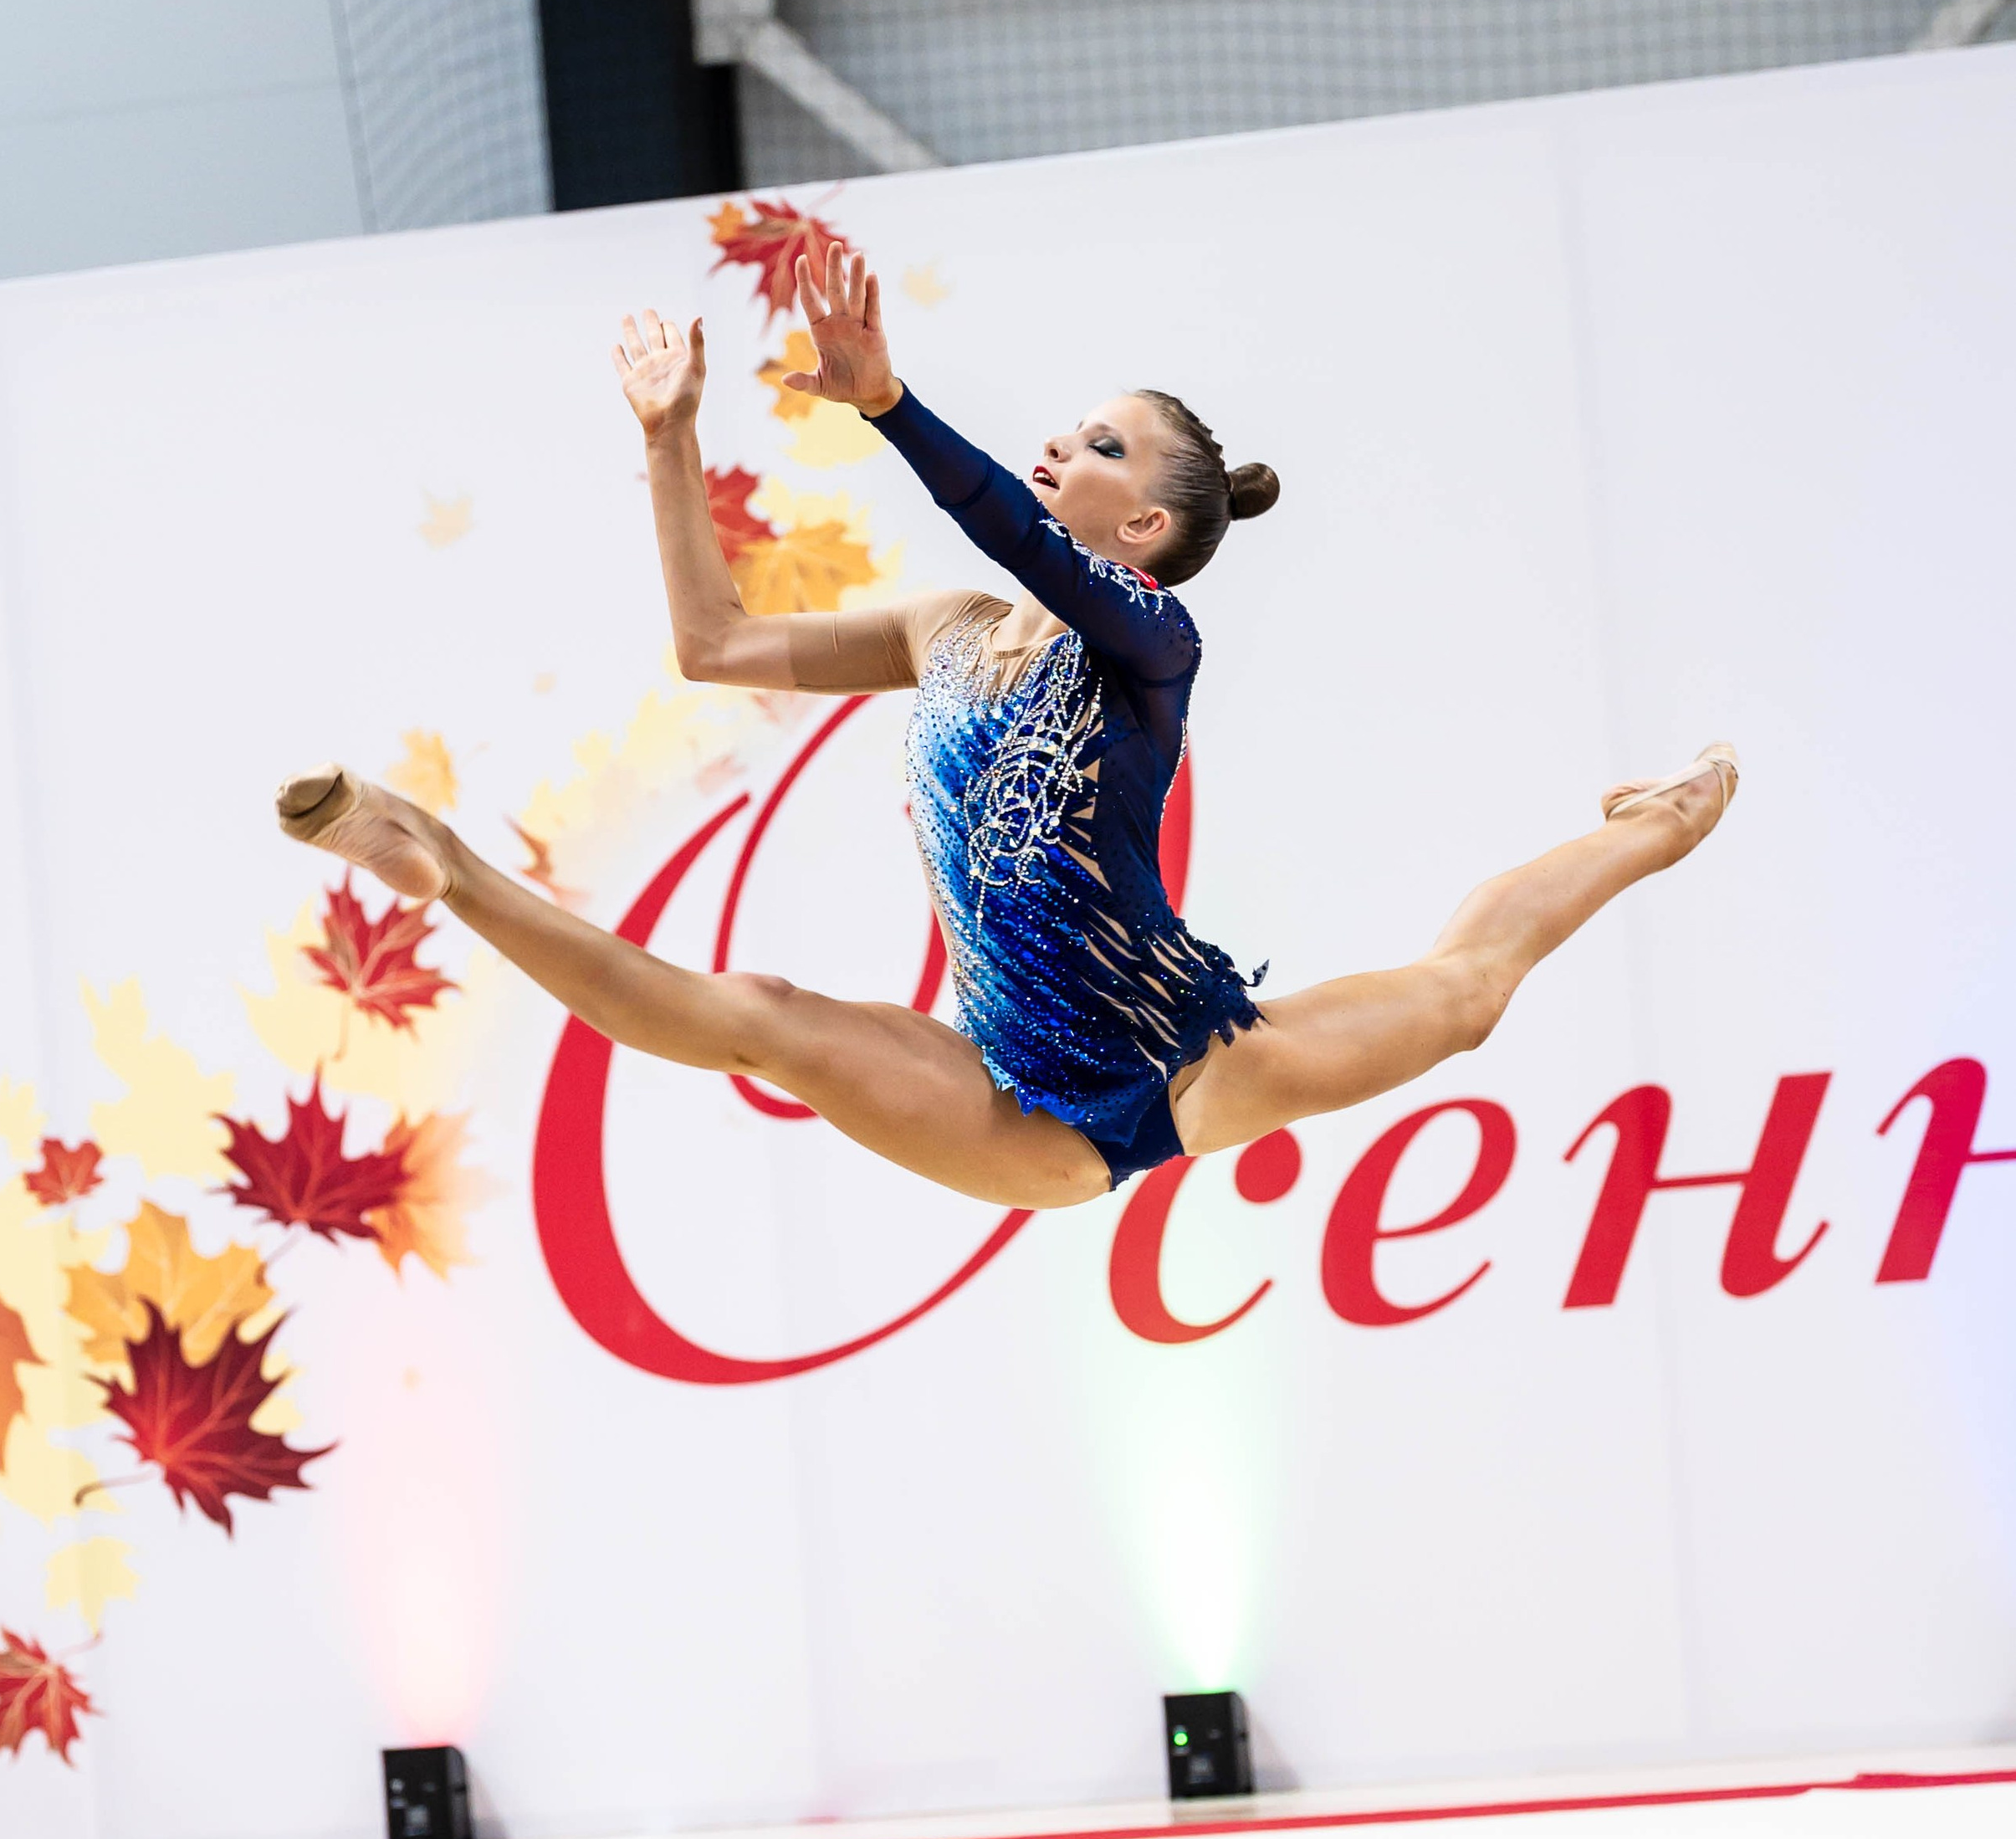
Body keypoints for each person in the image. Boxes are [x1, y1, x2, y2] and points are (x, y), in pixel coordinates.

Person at [277, 247, 1735, 1208]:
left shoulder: (1153, 643)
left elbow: (1027, 548)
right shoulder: (950, 635)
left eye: (1099, 446)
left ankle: (1656, 825)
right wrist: (669, 438)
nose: (1060, 445)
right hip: (1010, 1101)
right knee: (762, 1021)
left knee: (1466, 992)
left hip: (1186, 1063)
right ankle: (448, 869)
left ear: (1147, 525)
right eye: (1073, 424)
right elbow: (713, 644)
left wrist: (899, 409)